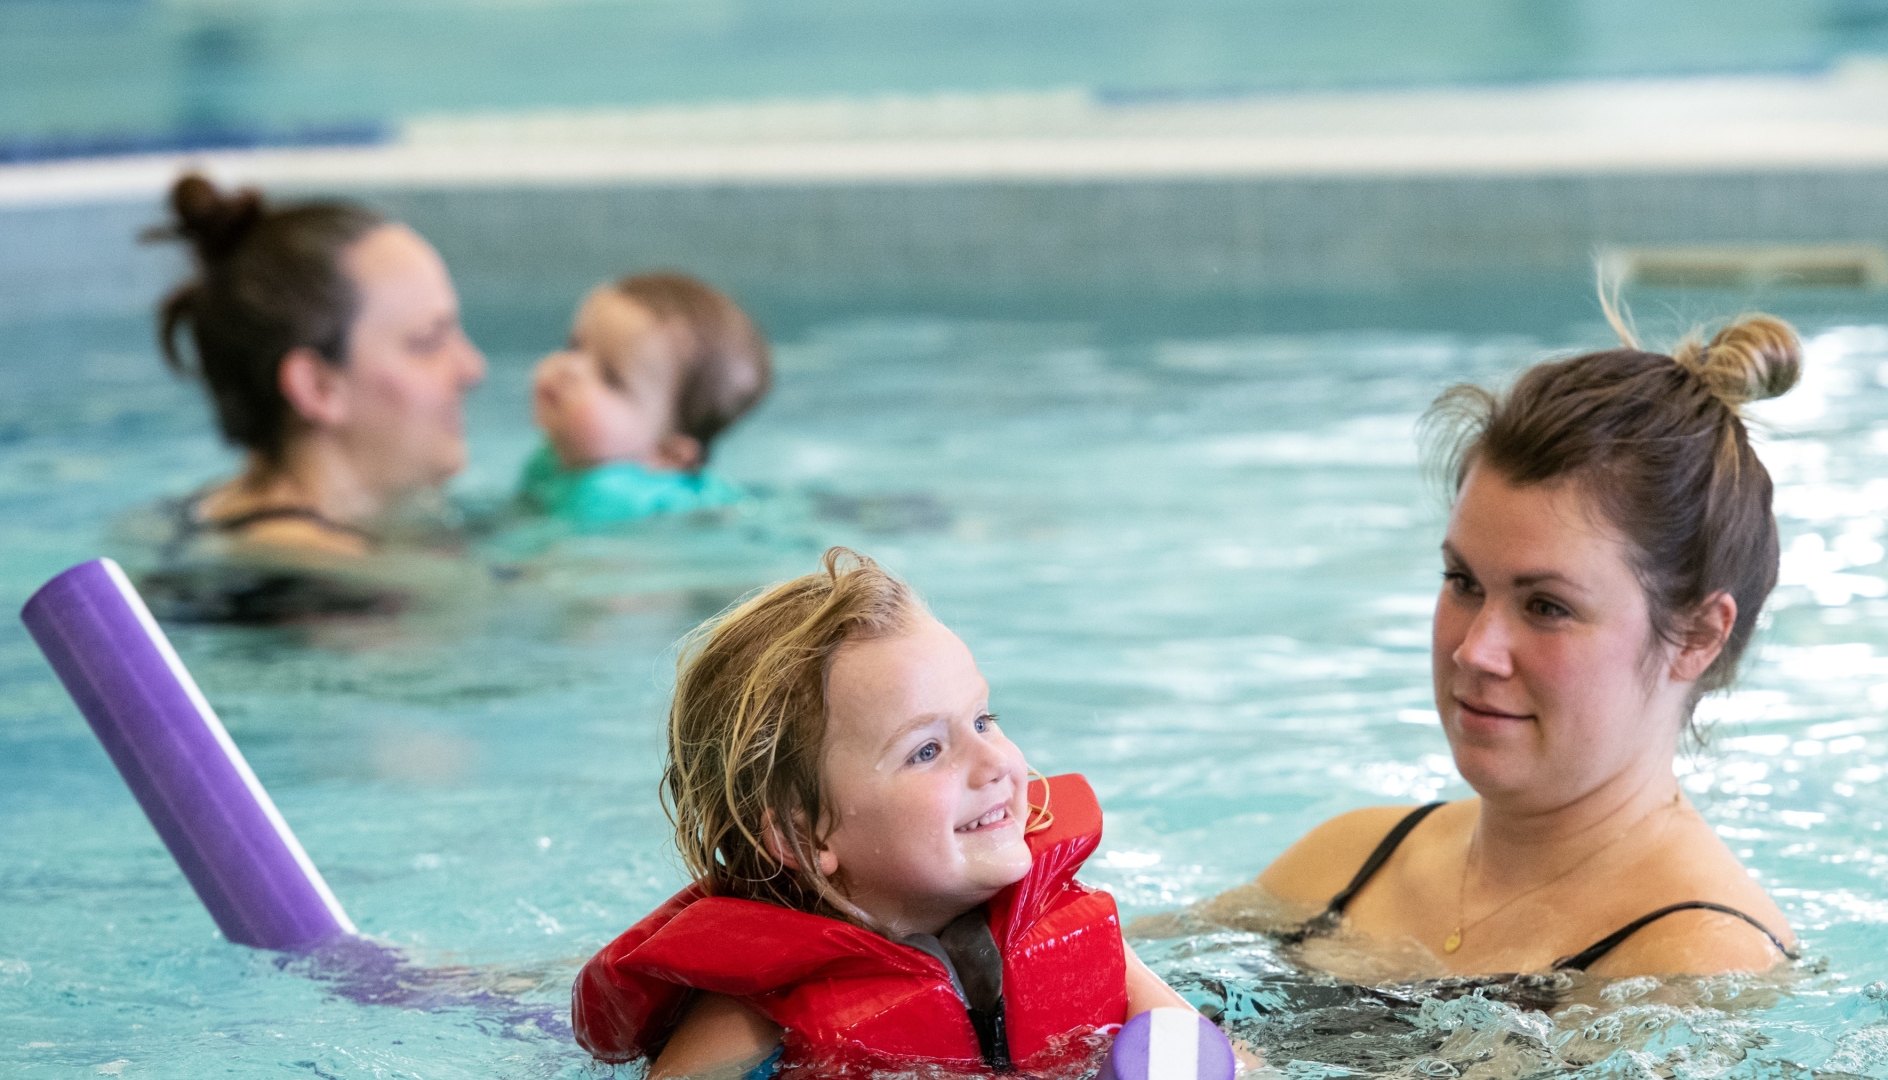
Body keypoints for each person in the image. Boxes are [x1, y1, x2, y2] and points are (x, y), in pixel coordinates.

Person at [1159, 310, 1804, 980]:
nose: (1475, 650)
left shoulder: (1701, 959)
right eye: (1462, 581)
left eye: (1547, 606)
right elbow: (1103, 976)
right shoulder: (1346, 865)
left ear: (1697, 637)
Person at [572, 549, 1206, 1078]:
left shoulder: (1068, 927)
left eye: (984, 719)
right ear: (802, 834)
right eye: (926, 750)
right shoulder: (757, 1011)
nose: (994, 763)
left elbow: (1222, 1059)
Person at [137, 173, 486, 619]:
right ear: (316, 387)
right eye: (428, 342)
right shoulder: (336, 596)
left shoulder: (193, 519)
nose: (472, 369)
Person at [519, 273, 769, 528]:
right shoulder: (554, 459)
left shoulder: (612, 500)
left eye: (611, 378)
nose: (570, 369)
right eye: (574, 346)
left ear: (668, 453)